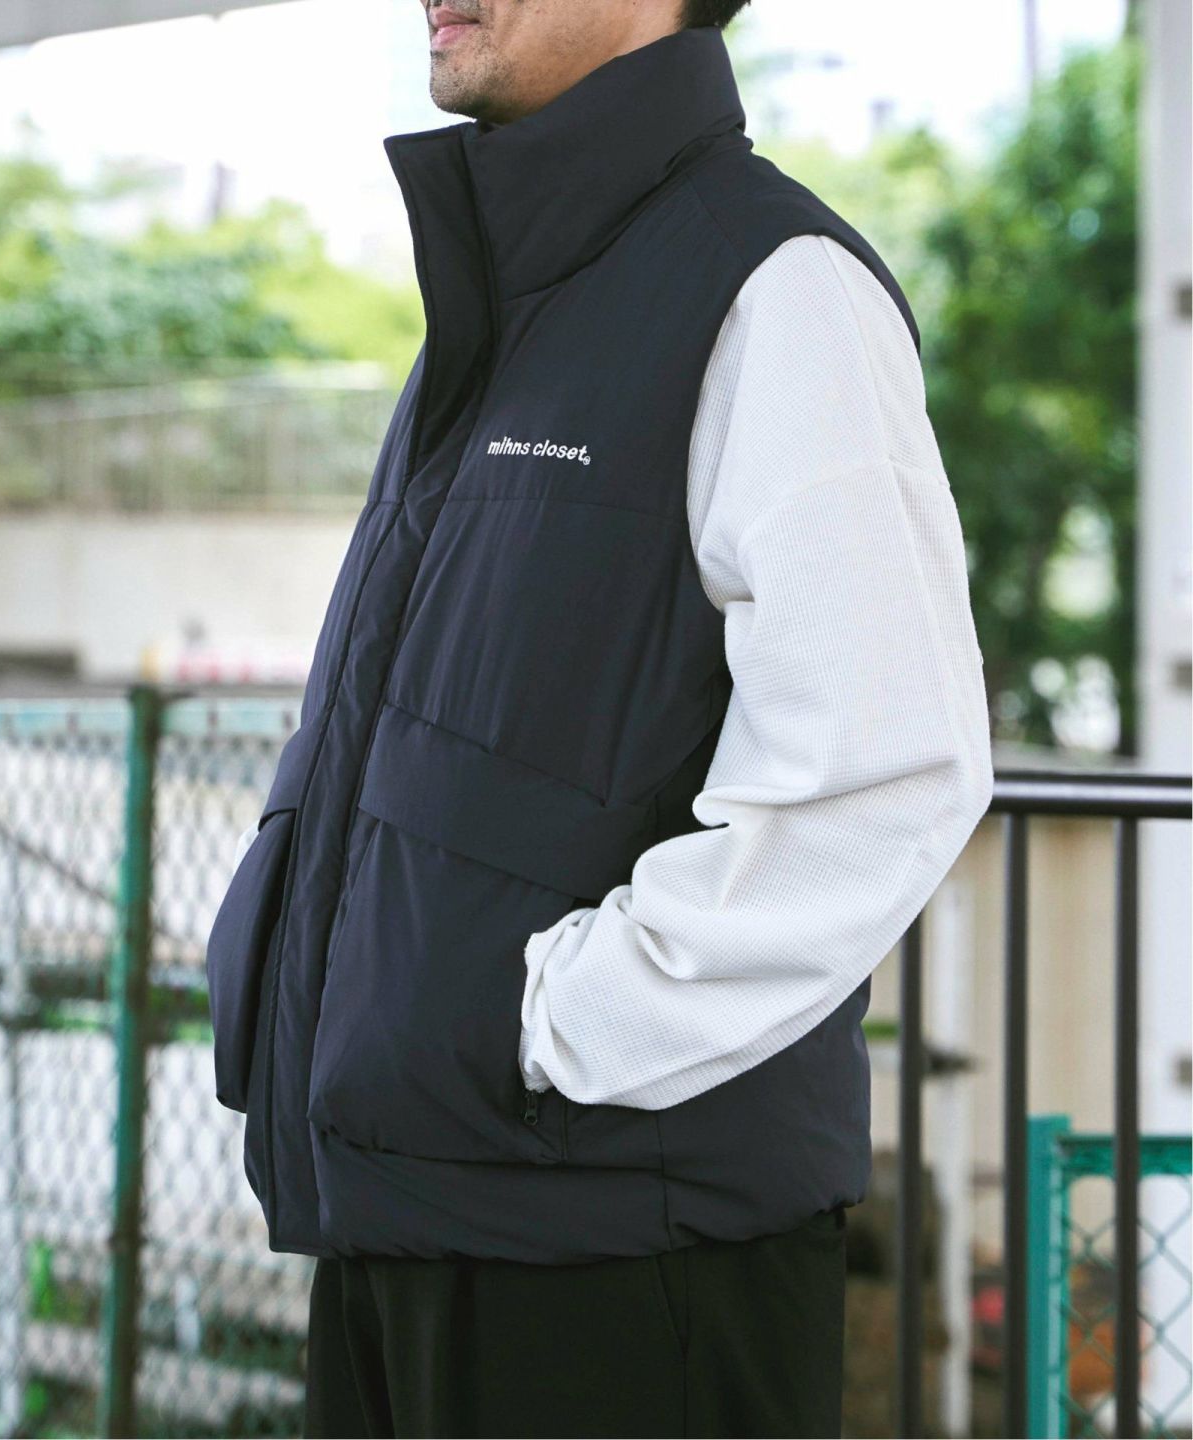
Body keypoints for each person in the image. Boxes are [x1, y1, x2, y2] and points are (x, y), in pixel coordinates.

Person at [206, 1, 995, 1435]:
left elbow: (886, 763)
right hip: (402, 1216)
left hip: (619, 1260)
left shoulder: (777, 287)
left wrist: (549, 1026)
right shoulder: (511, 299)